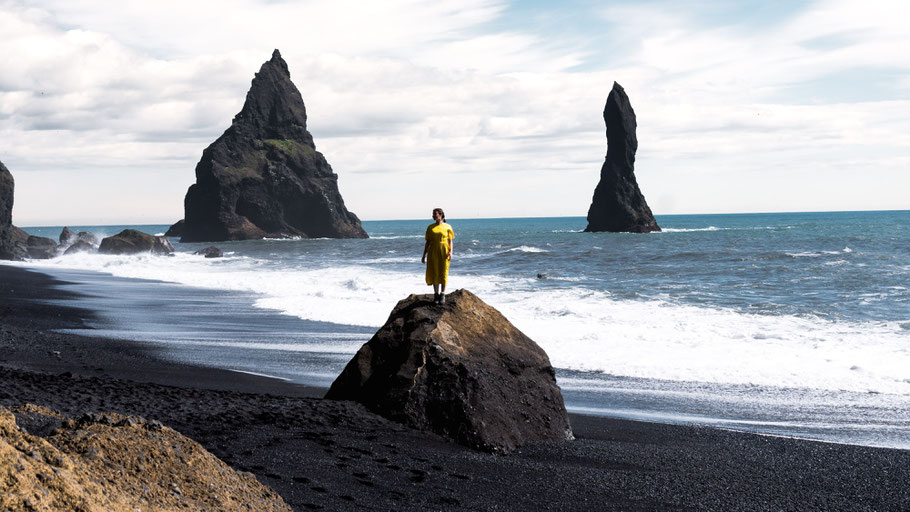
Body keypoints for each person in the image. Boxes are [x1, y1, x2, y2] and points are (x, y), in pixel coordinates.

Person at [421, 208, 454, 304]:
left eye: (435, 214)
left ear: (441, 215)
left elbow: (450, 241)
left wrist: (450, 252)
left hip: (444, 250)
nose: (433, 216)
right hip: (433, 251)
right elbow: (427, 242)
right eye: (433, 214)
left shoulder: (448, 227)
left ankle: (442, 294)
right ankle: (436, 294)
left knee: (444, 271)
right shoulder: (430, 227)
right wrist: (424, 255)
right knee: (434, 271)